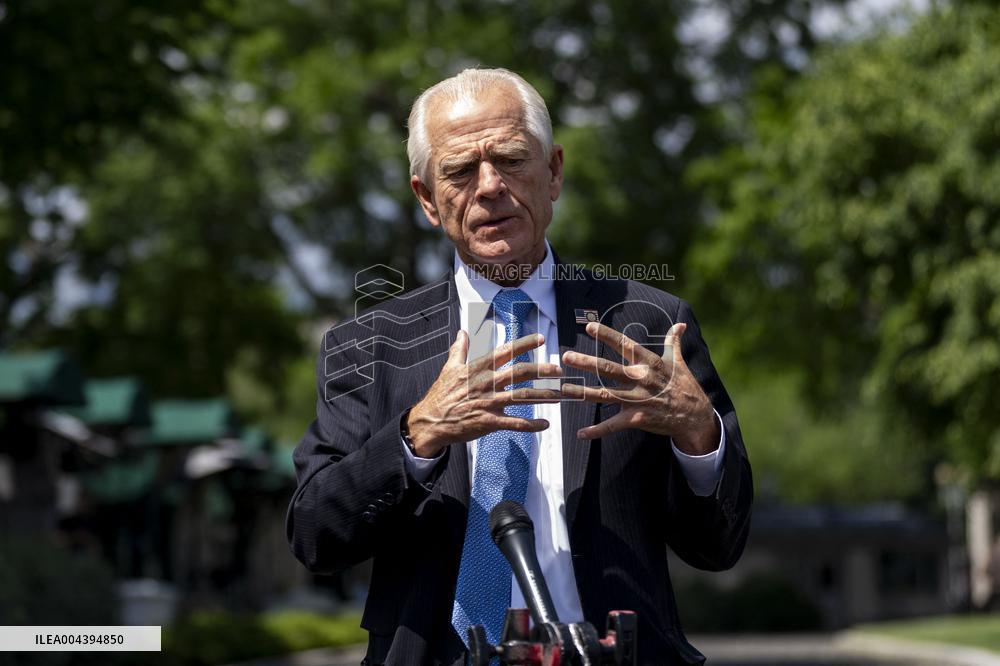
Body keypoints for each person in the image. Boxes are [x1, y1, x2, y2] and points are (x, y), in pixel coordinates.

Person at [287, 67, 752, 666]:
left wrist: (699, 437)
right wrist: (417, 435)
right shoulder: (368, 345)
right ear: (427, 199)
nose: (488, 186)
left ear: (554, 171)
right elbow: (314, 536)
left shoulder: (648, 326)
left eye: (509, 159)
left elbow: (719, 545)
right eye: (458, 171)